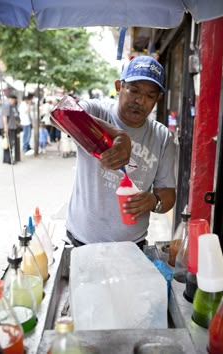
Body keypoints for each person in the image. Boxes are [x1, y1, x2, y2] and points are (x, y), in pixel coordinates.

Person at [65, 55, 176, 250]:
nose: (140, 100)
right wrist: (117, 134)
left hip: (132, 247)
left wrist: (154, 201)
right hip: (81, 242)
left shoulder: (162, 137)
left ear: (158, 98)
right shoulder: (97, 111)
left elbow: (168, 194)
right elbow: (63, 113)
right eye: (133, 90)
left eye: (150, 96)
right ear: (119, 87)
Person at [2, 94, 20, 164]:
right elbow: (4, 117)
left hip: (12, 127)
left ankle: (6, 159)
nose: (15, 101)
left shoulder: (12, 105)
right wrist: (5, 127)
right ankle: (9, 159)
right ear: (11, 99)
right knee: (9, 144)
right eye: (14, 100)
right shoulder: (7, 105)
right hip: (9, 128)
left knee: (9, 143)